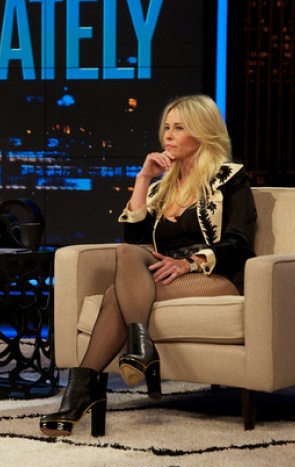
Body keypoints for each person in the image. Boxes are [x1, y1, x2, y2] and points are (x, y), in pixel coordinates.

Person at [40, 94, 257, 437]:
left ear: (202, 132)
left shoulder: (230, 178)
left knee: (114, 294)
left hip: (215, 274)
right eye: (166, 127)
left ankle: (81, 392)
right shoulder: (162, 187)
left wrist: (189, 263)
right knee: (126, 254)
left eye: (179, 128)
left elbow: (240, 242)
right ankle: (138, 350)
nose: (168, 135)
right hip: (164, 272)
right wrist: (143, 179)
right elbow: (136, 240)